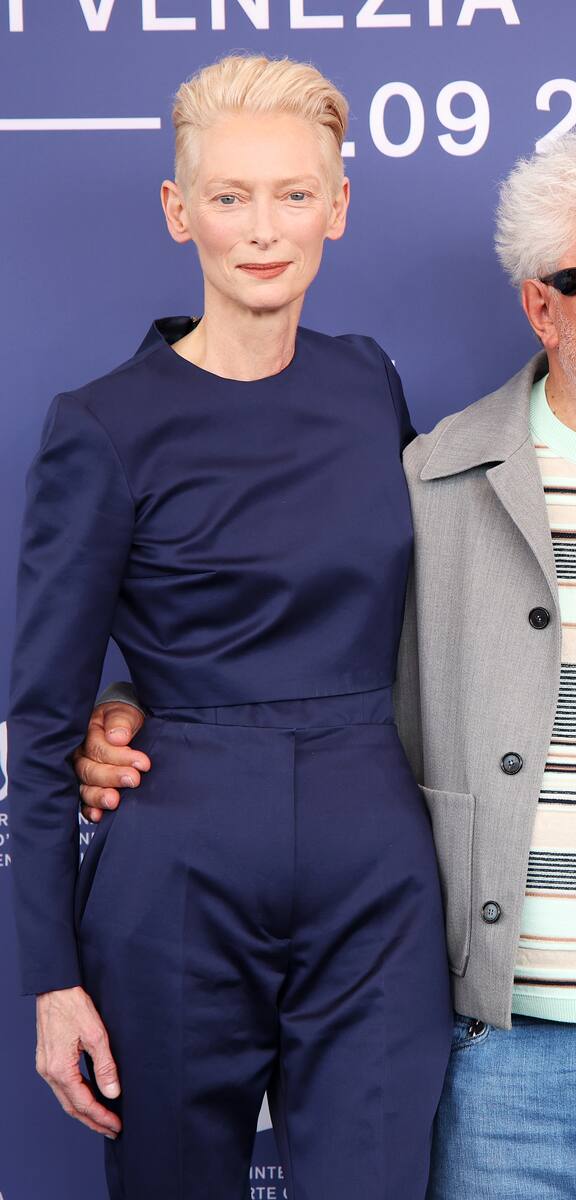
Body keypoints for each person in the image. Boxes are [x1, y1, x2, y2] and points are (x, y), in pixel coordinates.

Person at [76, 121, 576, 1199]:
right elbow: (304, 645)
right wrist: (144, 702)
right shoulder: (431, 484)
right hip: (505, 1056)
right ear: (541, 306)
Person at [8, 54, 450, 1198]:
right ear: (179, 210)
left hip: (376, 873)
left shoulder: (368, 383)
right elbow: (43, 716)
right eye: (229, 196)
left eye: (294, 194)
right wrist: (50, 978)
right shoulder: (103, 424)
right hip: (176, 875)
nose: (263, 229)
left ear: (337, 207)